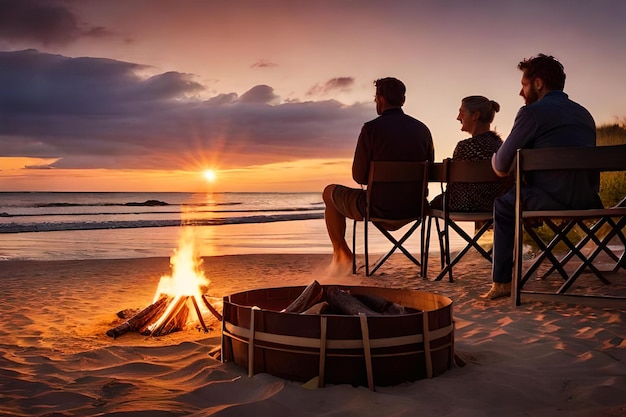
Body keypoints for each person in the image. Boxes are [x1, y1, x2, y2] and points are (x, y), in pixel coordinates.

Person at [485, 53, 603, 299]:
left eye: (523, 85)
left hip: (548, 201)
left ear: (538, 83)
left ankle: (502, 282)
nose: (521, 93)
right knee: (523, 195)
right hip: (588, 202)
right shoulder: (585, 114)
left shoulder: (531, 113)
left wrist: (496, 158)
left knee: (505, 205)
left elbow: (501, 167)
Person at [322, 77, 434, 274]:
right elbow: (430, 171)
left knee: (328, 192)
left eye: (376, 98)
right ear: (403, 100)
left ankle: (342, 252)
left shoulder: (371, 129)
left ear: (380, 99)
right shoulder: (423, 130)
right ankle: (342, 254)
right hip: (415, 207)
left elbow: (359, 177)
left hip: (376, 207)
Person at [430, 95, 509, 213]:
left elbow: (453, 187)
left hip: (462, 205)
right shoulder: (500, 147)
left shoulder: (465, 147)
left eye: (462, 112)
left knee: (432, 204)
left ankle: (442, 232)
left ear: (475, 116)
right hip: (495, 206)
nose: (458, 117)